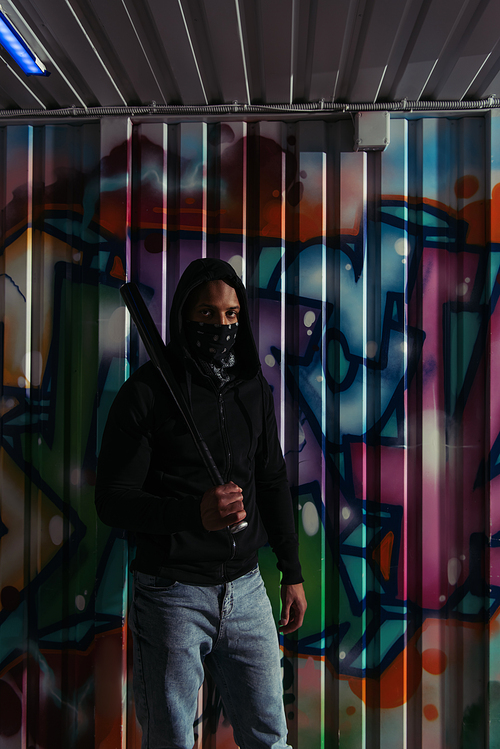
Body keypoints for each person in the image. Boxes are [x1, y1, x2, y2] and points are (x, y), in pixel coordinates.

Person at [95, 257, 307, 749]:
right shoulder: (146, 394)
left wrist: (290, 571)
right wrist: (194, 514)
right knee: (171, 742)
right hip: (172, 593)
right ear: (183, 317)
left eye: (232, 315)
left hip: (247, 587)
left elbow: (272, 479)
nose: (222, 326)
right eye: (208, 315)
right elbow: (112, 501)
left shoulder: (253, 390)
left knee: (270, 739)